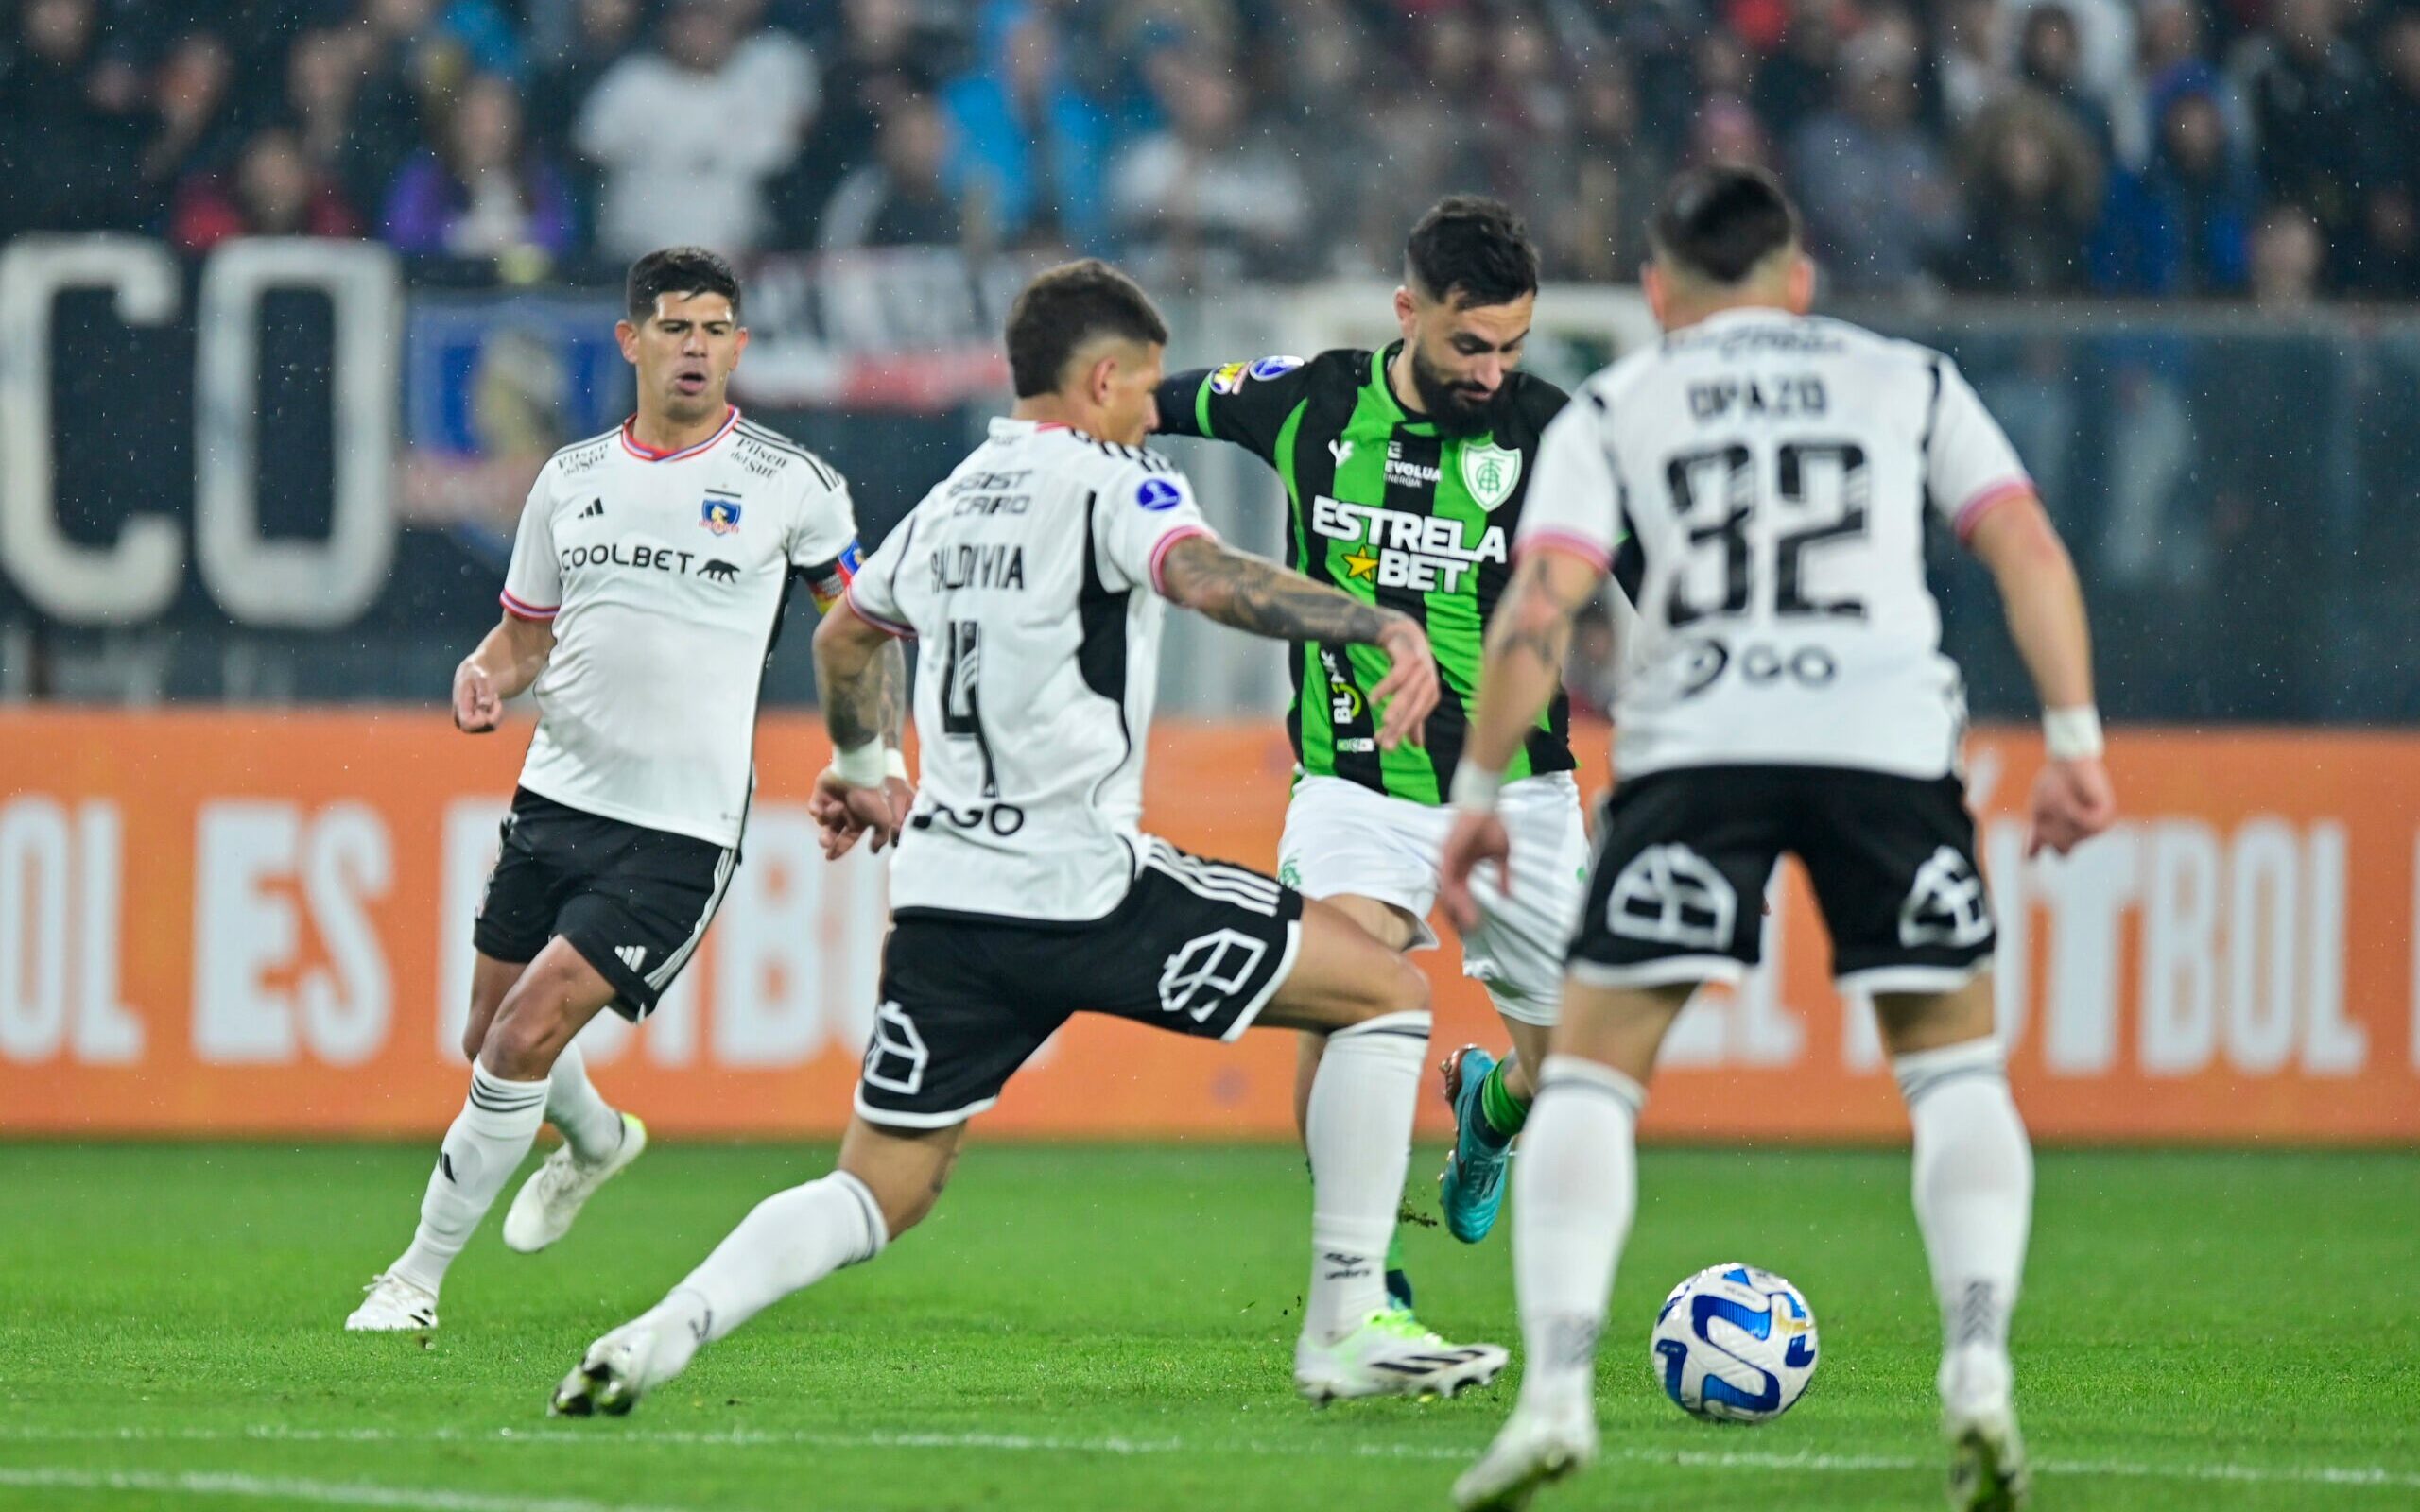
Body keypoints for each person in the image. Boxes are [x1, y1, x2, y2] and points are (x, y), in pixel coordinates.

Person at [548, 259, 1509, 1416]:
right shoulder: (1115, 478)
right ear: (1100, 379)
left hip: (948, 907)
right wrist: (1367, 620)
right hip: (1082, 884)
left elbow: (847, 637)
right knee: (1387, 991)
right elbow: (1200, 576)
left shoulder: (953, 498)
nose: (1157, 412)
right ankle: (1348, 1321)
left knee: (878, 1188)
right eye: (1146, 387)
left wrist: (863, 771)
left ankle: (664, 1328)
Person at [1441, 165, 2117, 1511]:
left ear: (1657, 293)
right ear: (1799, 282)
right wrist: (2076, 744)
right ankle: (1978, 1371)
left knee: (1590, 1082)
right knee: (1952, 1069)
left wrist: (1472, 796)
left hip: (1704, 752)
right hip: (1885, 744)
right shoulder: (1904, 377)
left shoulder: (1623, 401)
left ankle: (1558, 1394)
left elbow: (1545, 601)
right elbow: (2026, 546)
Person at [346, 248, 894, 1332]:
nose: (696, 347)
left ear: (739, 346)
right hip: (555, 799)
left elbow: (862, 626)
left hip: (678, 829)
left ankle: (412, 1280)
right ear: (630, 341)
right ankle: (597, 1139)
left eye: (716, 329)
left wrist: (872, 763)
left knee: (521, 1036)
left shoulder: (794, 484)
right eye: (676, 327)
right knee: (486, 1032)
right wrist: (482, 674)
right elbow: (521, 641)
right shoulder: (571, 477)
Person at [1151, 198, 1590, 1299]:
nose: (1492, 371)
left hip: (1518, 793)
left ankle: (1489, 1106)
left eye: (1511, 346)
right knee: (1349, 981)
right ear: (1407, 312)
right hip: (1354, 783)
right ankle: (1365, 1272)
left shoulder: (1557, 435)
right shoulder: (1309, 402)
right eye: (1467, 344)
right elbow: (1145, 402)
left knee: (1569, 1063)